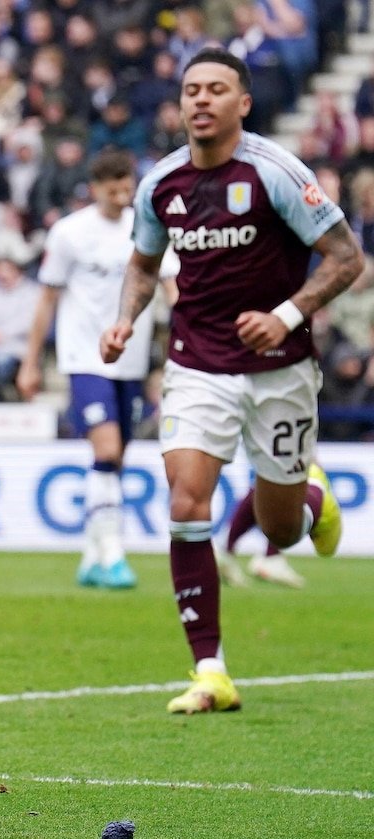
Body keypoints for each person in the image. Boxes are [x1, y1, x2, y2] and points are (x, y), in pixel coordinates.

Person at [102, 47, 364, 715]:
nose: (201, 100)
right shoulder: (160, 183)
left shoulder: (276, 172)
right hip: (196, 364)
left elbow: (346, 258)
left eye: (216, 89)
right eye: (191, 89)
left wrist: (284, 316)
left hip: (280, 369)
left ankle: (309, 499)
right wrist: (125, 321)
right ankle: (210, 669)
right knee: (187, 501)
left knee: (280, 526)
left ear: (242, 103)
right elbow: (141, 264)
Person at [18, 149, 178, 590]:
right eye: (114, 189)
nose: (122, 195)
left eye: (128, 187)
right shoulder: (70, 234)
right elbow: (47, 298)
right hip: (85, 357)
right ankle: (112, 554)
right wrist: (31, 362)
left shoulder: (147, 227)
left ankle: (91, 555)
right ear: (95, 189)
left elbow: (172, 288)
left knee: (116, 460)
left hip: (132, 359)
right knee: (107, 451)